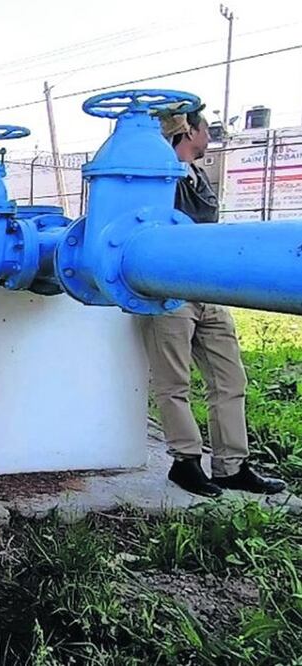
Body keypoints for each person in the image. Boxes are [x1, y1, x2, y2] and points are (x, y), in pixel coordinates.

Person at [142, 103, 286, 497]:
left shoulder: (198, 176)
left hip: (209, 291)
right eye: (207, 130)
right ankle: (185, 462)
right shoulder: (157, 177)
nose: (212, 138)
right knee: (174, 382)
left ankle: (231, 466)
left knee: (230, 378)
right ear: (189, 132)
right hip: (169, 294)